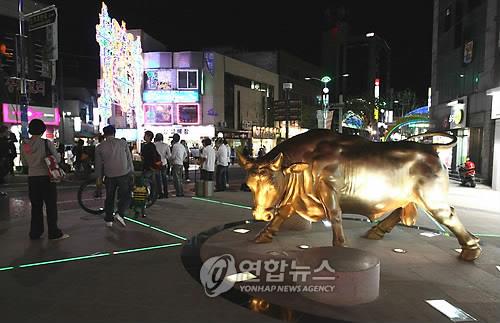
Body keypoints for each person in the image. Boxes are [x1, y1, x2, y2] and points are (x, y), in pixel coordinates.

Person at [21, 119, 69, 240]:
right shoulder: (46, 143)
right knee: (51, 205)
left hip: (32, 178)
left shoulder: (25, 145)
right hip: (47, 177)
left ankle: (35, 232)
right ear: (42, 130)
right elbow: (56, 159)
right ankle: (53, 232)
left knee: (36, 206)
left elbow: (25, 162)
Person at [95, 125, 134, 228]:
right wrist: (132, 172)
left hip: (109, 175)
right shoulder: (123, 143)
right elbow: (129, 159)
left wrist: (99, 180)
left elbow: (98, 166)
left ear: (104, 134)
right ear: (114, 132)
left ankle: (109, 220)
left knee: (110, 197)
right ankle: (120, 213)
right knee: (126, 195)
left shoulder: (99, 147)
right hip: (124, 174)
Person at [141, 130, 160, 199]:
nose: (144, 137)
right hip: (151, 167)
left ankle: (150, 196)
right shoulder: (151, 145)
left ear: (149, 137)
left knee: (146, 182)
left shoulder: (148, 146)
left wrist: (150, 165)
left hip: (149, 167)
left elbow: (151, 157)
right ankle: (152, 196)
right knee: (151, 182)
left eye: (145, 135)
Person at [154, 133, 171, 198]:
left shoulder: (154, 145)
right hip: (163, 163)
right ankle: (166, 193)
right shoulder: (166, 145)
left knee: (158, 179)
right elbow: (169, 156)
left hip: (156, 164)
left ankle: (160, 193)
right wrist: (164, 156)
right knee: (164, 179)